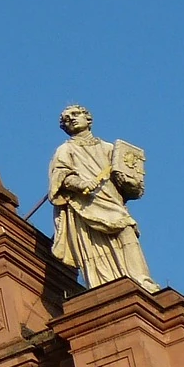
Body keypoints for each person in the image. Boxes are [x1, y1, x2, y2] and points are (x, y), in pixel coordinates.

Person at [47, 105, 155, 292]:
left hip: (111, 200)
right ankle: (103, 285)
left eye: (75, 114)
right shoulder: (65, 150)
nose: (71, 119)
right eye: (66, 119)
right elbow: (61, 176)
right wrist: (80, 184)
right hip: (86, 205)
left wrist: (126, 181)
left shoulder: (110, 148)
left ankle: (141, 279)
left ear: (88, 118)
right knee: (94, 246)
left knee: (127, 231)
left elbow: (133, 184)